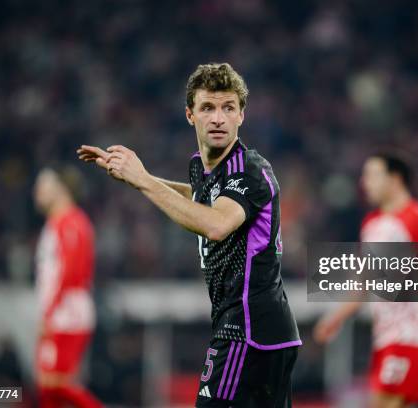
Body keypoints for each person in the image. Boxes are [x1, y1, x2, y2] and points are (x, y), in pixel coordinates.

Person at [77, 62, 301, 407]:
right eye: (207, 108)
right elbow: (198, 197)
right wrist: (135, 177)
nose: (218, 118)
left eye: (228, 108)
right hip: (261, 333)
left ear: (242, 116)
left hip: (248, 331)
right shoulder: (205, 166)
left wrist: (144, 180)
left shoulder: (250, 169)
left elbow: (216, 223)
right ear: (189, 115)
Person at [313, 153, 418, 408]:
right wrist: (335, 317)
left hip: (412, 334)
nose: (365, 183)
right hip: (384, 336)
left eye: (373, 175)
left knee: (382, 403)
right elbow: (362, 283)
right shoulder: (371, 224)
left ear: (395, 179)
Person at [34, 166, 102, 408]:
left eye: (43, 187)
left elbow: (69, 272)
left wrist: (50, 313)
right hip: (61, 311)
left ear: (61, 190)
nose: (37, 193)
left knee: (54, 382)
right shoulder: (58, 223)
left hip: (67, 313)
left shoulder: (71, 222)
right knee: (48, 388)